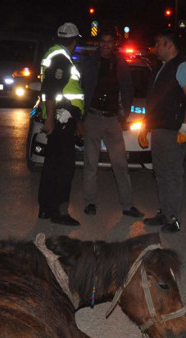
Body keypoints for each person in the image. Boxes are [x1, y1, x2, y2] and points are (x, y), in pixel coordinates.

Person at [79, 27, 144, 219]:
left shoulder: (121, 64)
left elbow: (128, 90)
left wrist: (124, 115)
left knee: (120, 164)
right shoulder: (90, 63)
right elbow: (81, 90)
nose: (106, 45)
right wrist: (80, 119)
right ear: (99, 43)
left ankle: (127, 205)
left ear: (115, 44)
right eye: (103, 42)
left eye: (109, 42)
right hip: (92, 117)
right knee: (91, 163)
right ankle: (90, 202)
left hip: (112, 119)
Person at [138, 31, 186, 233]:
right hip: (158, 128)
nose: (155, 47)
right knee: (161, 173)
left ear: (169, 44)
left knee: (173, 175)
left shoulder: (184, 66)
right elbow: (154, 99)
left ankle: (174, 218)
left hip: (174, 131)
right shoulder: (160, 67)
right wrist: (146, 126)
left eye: (158, 43)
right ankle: (164, 212)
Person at [37, 22, 85, 226]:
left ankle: (46, 209)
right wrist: (50, 118)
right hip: (62, 119)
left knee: (51, 165)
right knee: (64, 168)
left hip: (60, 117)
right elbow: (50, 89)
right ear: (74, 41)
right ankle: (59, 212)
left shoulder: (53, 55)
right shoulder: (61, 59)